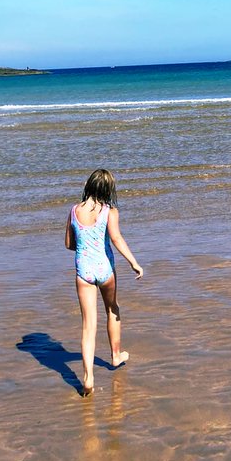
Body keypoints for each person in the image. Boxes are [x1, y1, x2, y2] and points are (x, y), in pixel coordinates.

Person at [65, 168, 143, 395]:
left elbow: (69, 244)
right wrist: (134, 263)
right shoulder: (109, 211)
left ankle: (88, 377)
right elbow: (117, 238)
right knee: (112, 309)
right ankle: (116, 355)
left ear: (89, 186)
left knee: (88, 326)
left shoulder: (74, 211)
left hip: (84, 271)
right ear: (108, 190)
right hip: (104, 269)